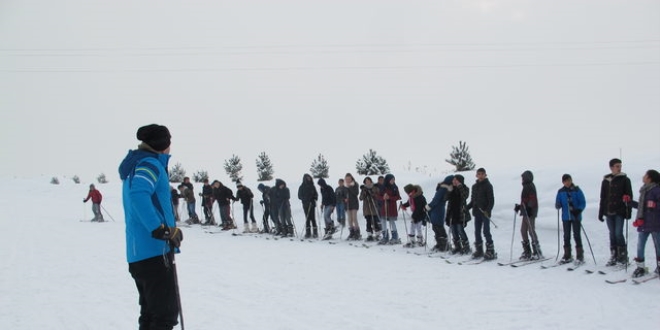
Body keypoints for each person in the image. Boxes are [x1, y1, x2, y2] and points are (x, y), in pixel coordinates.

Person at [118, 124, 183, 330]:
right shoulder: (149, 164)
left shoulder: (137, 165)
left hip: (140, 252)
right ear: (163, 144)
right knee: (165, 315)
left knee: (151, 314)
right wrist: (160, 229)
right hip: (154, 251)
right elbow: (139, 194)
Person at [598, 158, 634, 266]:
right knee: (612, 234)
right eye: (617, 166)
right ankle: (614, 255)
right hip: (609, 211)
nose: (619, 168)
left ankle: (623, 256)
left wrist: (628, 212)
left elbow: (629, 196)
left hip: (620, 211)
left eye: (620, 166)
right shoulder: (605, 181)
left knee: (618, 233)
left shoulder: (625, 179)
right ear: (611, 167)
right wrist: (601, 212)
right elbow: (603, 197)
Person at [631, 169, 660, 277]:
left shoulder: (657, 190)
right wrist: (630, 202)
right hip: (644, 222)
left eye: (645, 175)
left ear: (649, 178)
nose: (643, 177)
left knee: (658, 246)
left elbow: (652, 205)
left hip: (656, 223)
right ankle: (640, 267)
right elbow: (642, 206)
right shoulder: (644, 190)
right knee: (640, 245)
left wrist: (654, 205)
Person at [555, 174, 587, 264]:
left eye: (569, 180)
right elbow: (558, 202)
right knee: (566, 236)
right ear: (563, 182)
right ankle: (567, 255)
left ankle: (580, 256)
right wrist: (558, 205)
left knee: (577, 235)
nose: (567, 183)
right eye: (565, 181)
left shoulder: (577, 190)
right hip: (566, 217)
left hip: (575, 216)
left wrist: (579, 210)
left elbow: (583, 202)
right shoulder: (561, 191)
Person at [467, 168, 496, 260]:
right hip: (477, 212)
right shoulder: (474, 186)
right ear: (476, 175)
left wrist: (487, 210)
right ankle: (479, 250)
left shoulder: (488, 185)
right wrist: (466, 208)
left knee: (486, 231)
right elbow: (473, 200)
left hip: (485, 213)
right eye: (478, 174)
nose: (480, 176)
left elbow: (491, 200)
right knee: (477, 232)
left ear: (485, 175)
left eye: (482, 174)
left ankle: (490, 250)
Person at [514, 170, 542, 261]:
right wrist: (519, 207)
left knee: (531, 230)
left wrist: (529, 207)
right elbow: (525, 200)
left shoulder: (530, 185)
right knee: (523, 231)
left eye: (523, 177)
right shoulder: (525, 186)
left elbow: (532, 198)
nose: (522, 179)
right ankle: (527, 251)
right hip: (525, 212)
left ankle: (537, 251)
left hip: (530, 212)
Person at [426, 176, 452, 252]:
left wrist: (429, 206)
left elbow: (436, 199)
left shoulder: (443, 189)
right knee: (437, 226)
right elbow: (437, 199)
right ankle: (440, 244)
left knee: (438, 227)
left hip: (437, 209)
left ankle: (443, 245)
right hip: (438, 209)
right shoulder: (445, 189)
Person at [446, 174, 471, 255]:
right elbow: (446, 199)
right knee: (454, 230)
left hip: (461, 213)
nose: (454, 181)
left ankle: (466, 247)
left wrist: (460, 187)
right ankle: (457, 247)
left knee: (460, 230)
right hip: (452, 213)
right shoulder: (452, 189)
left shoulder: (465, 188)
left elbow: (464, 196)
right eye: (453, 180)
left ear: (460, 181)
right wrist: (449, 190)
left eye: (455, 180)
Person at [377, 174, 401, 245]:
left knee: (392, 221)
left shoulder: (395, 187)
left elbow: (398, 197)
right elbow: (378, 196)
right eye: (391, 180)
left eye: (394, 180)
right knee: (383, 221)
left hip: (392, 207)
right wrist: (383, 197)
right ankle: (385, 236)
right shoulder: (383, 187)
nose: (393, 181)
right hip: (384, 207)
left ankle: (395, 237)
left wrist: (389, 197)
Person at [359, 177, 381, 242]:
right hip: (367, 208)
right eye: (366, 181)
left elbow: (378, 196)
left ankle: (377, 234)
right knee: (368, 221)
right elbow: (360, 198)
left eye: (368, 181)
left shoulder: (375, 187)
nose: (367, 182)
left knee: (374, 221)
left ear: (371, 181)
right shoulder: (363, 189)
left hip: (373, 207)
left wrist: (372, 194)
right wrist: (364, 194)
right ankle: (369, 235)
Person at [298, 174, 319, 238]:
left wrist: (314, 198)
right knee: (307, 218)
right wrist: (305, 199)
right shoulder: (302, 187)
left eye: (309, 178)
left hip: (312, 204)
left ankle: (315, 232)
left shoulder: (312, 186)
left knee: (313, 218)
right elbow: (299, 196)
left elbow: (316, 194)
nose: (309, 179)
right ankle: (308, 232)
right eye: (307, 178)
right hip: (305, 204)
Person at [344, 173, 361, 240]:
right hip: (348, 204)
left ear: (351, 178)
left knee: (354, 218)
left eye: (349, 179)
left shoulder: (355, 184)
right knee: (349, 219)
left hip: (354, 204)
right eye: (347, 179)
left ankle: (357, 232)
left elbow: (356, 193)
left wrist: (350, 187)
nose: (348, 180)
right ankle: (352, 232)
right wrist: (344, 199)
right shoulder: (345, 186)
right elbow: (343, 194)